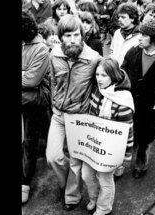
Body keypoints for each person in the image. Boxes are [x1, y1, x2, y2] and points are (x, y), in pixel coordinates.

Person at [45, 14, 101, 211]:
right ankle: (67, 182)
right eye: (67, 35)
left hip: (80, 117)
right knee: (53, 156)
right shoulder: (54, 54)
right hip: (58, 114)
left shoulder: (93, 59)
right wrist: (54, 101)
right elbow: (52, 79)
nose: (72, 40)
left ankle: (72, 195)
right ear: (60, 36)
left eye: (76, 34)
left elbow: (103, 86)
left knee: (76, 162)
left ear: (82, 35)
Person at [83, 57, 134, 215]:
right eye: (97, 75)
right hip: (94, 144)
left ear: (113, 76)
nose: (99, 79)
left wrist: (125, 158)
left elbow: (128, 132)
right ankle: (95, 198)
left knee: (105, 180)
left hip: (110, 150)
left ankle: (104, 208)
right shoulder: (97, 90)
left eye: (103, 75)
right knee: (86, 175)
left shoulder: (123, 100)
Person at [120, 19, 155, 179]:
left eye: (144, 35)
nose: (139, 37)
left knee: (146, 139)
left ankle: (140, 166)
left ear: (154, 38)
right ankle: (120, 165)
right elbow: (122, 71)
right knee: (127, 135)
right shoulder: (133, 52)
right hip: (131, 104)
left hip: (152, 108)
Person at [21, 11, 52, 203]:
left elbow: (32, 80)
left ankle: (25, 181)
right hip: (25, 99)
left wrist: (26, 73)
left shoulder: (41, 48)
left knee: (29, 142)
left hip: (33, 103)